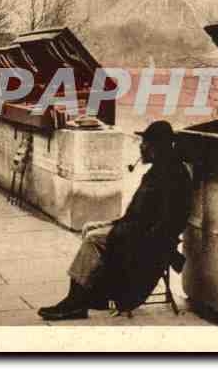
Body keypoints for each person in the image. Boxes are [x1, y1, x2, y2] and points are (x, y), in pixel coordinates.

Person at [38, 121, 192, 321]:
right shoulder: (160, 170)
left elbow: (168, 222)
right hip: (132, 228)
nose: (141, 146)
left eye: (145, 142)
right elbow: (140, 213)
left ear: (157, 146)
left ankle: (75, 303)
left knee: (93, 239)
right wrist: (113, 224)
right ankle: (85, 294)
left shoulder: (172, 175)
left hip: (142, 238)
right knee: (89, 228)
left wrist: (123, 233)